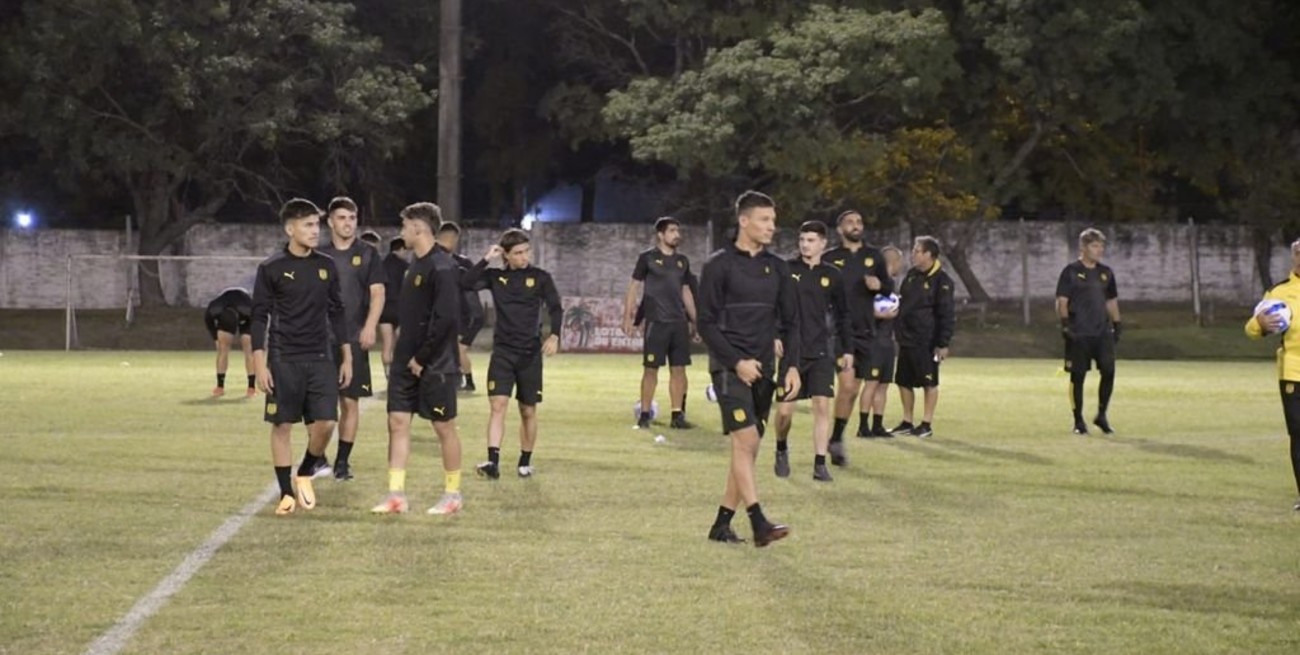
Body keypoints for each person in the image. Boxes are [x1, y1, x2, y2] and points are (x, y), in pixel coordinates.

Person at [699, 190, 800, 547]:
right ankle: (759, 522)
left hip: (765, 369)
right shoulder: (718, 265)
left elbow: (792, 323)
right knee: (747, 440)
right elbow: (706, 324)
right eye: (764, 219)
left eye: (773, 220)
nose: (771, 226)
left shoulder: (779, 268)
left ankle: (721, 525)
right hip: (729, 367)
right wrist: (736, 362)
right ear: (744, 221)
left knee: (748, 447)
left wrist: (791, 367)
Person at [250, 198, 352, 516]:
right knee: (282, 425)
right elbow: (259, 317)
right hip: (284, 358)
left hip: (321, 356)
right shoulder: (271, 268)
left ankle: (306, 470)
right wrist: (259, 364)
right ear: (290, 229)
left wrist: (347, 356)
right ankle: (285, 493)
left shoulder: (326, 266)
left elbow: (337, 312)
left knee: (327, 422)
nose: (314, 230)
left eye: (316, 224)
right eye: (307, 225)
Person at [371, 202, 465, 515]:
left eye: (404, 226)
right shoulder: (414, 265)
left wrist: (422, 358)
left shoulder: (442, 266)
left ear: (418, 228)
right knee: (397, 422)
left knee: (443, 427)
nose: (401, 232)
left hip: (435, 364)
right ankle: (396, 495)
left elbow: (446, 318)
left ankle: (453, 495)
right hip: (404, 361)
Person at [463, 228, 563, 480]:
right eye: (517, 253)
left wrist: (554, 335)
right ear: (505, 255)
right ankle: (492, 462)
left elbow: (556, 307)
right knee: (498, 406)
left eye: (526, 251)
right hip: (503, 353)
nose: (524, 257)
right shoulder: (495, 277)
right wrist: (486, 259)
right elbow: (465, 283)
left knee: (528, 410)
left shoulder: (540, 277)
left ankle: (525, 462)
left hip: (530, 354)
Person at [772, 220, 850, 482]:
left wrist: (847, 349)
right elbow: (773, 306)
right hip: (791, 352)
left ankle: (820, 464)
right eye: (802, 240)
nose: (805, 245)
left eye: (811, 240)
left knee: (822, 406)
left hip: (820, 351)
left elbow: (843, 315)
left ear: (823, 244)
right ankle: (781, 448)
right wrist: (774, 335)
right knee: (784, 413)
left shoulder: (833, 275)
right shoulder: (786, 270)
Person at [316, 196, 385, 481]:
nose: (348, 223)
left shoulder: (367, 253)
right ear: (331, 222)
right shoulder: (317, 254)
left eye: (352, 218)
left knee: (350, 402)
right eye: (342, 218)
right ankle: (318, 457)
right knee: (319, 405)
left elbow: (378, 293)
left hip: (354, 338)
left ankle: (342, 462)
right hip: (320, 339)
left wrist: (370, 326)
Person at [822, 210, 893, 465]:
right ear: (840, 229)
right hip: (840, 332)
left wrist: (880, 286)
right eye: (850, 222)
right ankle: (836, 441)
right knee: (847, 386)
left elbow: (889, 287)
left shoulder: (873, 256)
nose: (856, 225)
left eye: (859, 222)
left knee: (853, 390)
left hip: (866, 331)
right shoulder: (830, 258)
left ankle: (836, 438)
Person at [622, 216, 698, 430]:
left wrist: (696, 321)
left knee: (679, 370)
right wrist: (627, 317)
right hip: (657, 323)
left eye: (678, 231)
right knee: (650, 370)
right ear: (661, 235)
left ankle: (677, 415)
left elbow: (686, 292)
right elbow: (633, 287)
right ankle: (645, 415)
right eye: (672, 231)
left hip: (678, 324)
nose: (677, 235)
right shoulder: (647, 258)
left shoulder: (682, 261)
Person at [1245, 238, 1300, 511]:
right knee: (1299, 435)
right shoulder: (1280, 292)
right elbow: (1251, 329)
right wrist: (1260, 323)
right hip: (1294, 373)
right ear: (1293, 257)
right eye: (1298, 253)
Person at [1055, 228, 1122, 435]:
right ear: (1083, 248)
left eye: (1101, 246)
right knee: (1078, 377)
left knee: (1109, 371)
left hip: (1102, 332)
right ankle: (1078, 421)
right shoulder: (1071, 272)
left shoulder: (1106, 273)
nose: (1099, 250)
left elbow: (1111, 301)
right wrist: (1065, 324)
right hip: (1079, 332)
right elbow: (1062, 301)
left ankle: (1101, 415)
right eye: (1095, 246)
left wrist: (1117, 324)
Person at [890, 236, 955, 439]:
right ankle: (907, 421)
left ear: (928, 254)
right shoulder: (912, 275)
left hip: (927, 341)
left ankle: (926, 424)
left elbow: (946, 314)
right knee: (903, 381)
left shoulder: (942, 281)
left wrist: (942, 343)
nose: (913, 254)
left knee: (929, 382)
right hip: (906, 339)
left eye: (917, 251)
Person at [435, 222, 486, 393]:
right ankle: (457, 380)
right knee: (452, 348)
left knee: (458, 349)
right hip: (463, 314)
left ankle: (468, 382)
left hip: (469, 315)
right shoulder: (455, 262)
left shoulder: (458, 263)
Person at [867, 245, 905, 433]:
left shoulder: (891, 285)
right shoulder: (874, 283)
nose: (901, 266)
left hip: (888, 341)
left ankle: (877, 425)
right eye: (900, 262)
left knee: (883, 385)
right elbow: (861, 310)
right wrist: (880, 315)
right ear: (894, 262)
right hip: (874, 341)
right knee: (871, 384)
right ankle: (863, 425)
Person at [205, 286, 256, 398]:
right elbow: (208, 321)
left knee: (249, 349)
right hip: (227, 313)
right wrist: (215, 338)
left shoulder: (249, 308)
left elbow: (258, 321)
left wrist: (257, 342)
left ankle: (251, 387)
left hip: (248, 317)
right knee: (223, 349)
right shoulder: (215, 308)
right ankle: (220, 387)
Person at [378, 237, 411, 382]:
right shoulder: (406, 266)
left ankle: (388, 376)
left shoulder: (381, 265)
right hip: (401, 308)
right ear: (401, 249)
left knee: (387, 345)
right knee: (403, 344)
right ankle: (400, 375)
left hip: (384, 308)